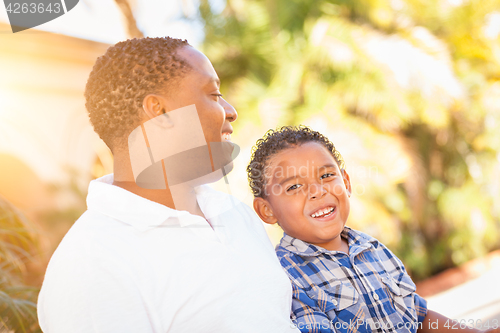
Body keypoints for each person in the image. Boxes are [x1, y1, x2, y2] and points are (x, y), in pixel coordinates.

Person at [37, 37, 300, 333]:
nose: (230, 110)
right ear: (160, 112)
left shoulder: (234, 213)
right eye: (213, 94)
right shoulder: (90, 263)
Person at [247, 125, 499, 333]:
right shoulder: (286, 278)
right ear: (266, 210)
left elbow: (418, 317)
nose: (317, 191)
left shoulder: (373, 249)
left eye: (326, 176)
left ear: (345, 182)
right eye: (294, 187)